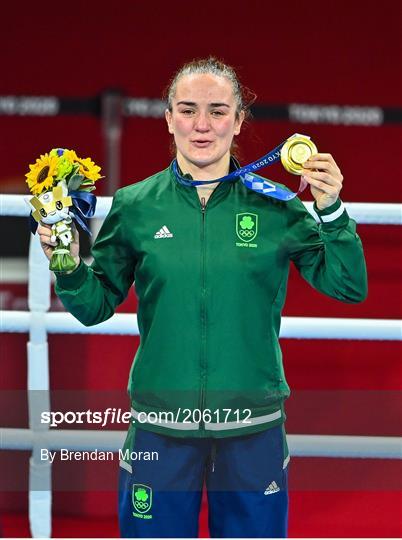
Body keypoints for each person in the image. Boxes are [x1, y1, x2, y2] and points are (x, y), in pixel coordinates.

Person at [37, 57, 368, 538]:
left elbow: (348, 286)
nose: (202, 125)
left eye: (217, 111)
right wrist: (67, 265)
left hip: (251, 426)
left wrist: (332, 210)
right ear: (168, 118)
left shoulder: (277, 205)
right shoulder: (134, 205)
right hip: (160, 425)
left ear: (238, 121)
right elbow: (94, 306)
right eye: (188, 110)